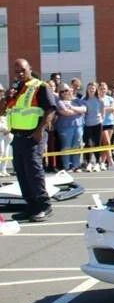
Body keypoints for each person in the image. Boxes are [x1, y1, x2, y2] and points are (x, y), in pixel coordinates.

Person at [1, 59, 58, 222]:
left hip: (33, 136)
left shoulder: (40, 86)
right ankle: (31, 206)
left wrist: (40, 130)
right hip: (17, 137)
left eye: (22, 70)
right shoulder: (16, 89)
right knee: (22, 173)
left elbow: (50, 109)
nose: (19, 74)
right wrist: (6, 97)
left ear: (30, 69)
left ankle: (44, 206)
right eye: (16, 71)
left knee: (34, 172)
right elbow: (2, 111)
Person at [55, 86, 86, 172]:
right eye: (62, 91)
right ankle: (66, 165)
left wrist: (72, 108)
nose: (65, 93)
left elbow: (84, 109)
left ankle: (76, 165)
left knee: (77, 145)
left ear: (70, 90)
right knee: (66, 146)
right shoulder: (59, 101)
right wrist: (78, 111)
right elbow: (65, 112)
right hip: (65, 126)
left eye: (66, 90)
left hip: (79, 125)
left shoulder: (77, 100)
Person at [97, 82, 114, 170]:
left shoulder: (110, 98)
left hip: (110, 122)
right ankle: (111, 162)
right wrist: (107, 109)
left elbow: (113, 109)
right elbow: (97, 109)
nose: (103, 90)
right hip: (102, 123)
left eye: (104, 89)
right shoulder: (97, 99)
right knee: (107, 142)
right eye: (101, 88)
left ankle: (102, 162)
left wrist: (103, 109)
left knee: (106, 144)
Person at [81, 82, 104, 171]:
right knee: (88, 144)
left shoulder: (99, 100)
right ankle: (89, 162)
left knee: (97, 143)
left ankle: (98, 162)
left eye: (93, 88)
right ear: (87, 89)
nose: (91, 90)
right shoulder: (84, 100)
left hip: (97, 124)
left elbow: (103, 112)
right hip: (87, 124)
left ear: (95, 90)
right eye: (89, 88)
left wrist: (101, 119)